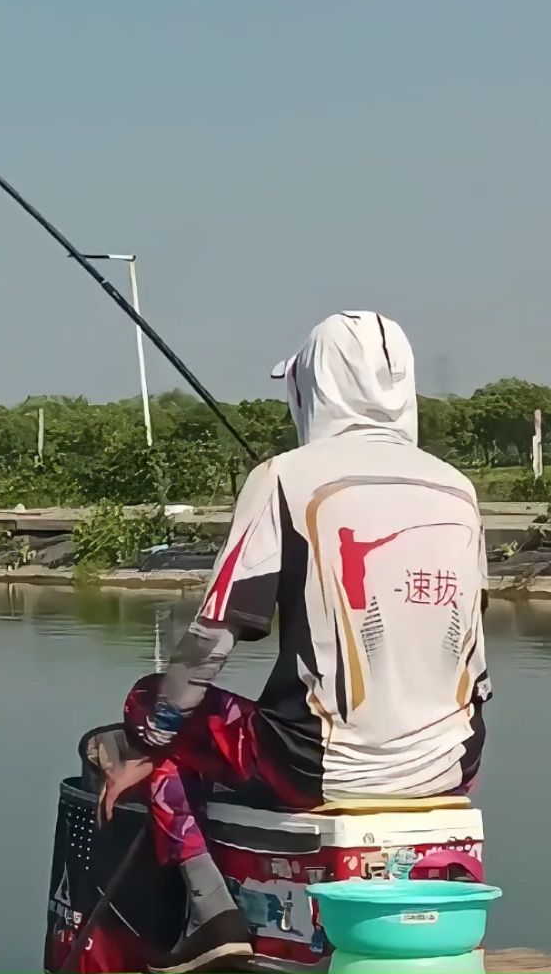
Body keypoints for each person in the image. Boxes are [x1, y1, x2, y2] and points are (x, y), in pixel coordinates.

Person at [99, 311, 492, 974]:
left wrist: (151, 743)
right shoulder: (460, 490)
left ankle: (215, 910)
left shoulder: (283, 477)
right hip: (454, 764)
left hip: (315, 766)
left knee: (152, 710)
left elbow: (211, 639)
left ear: (315, 389)